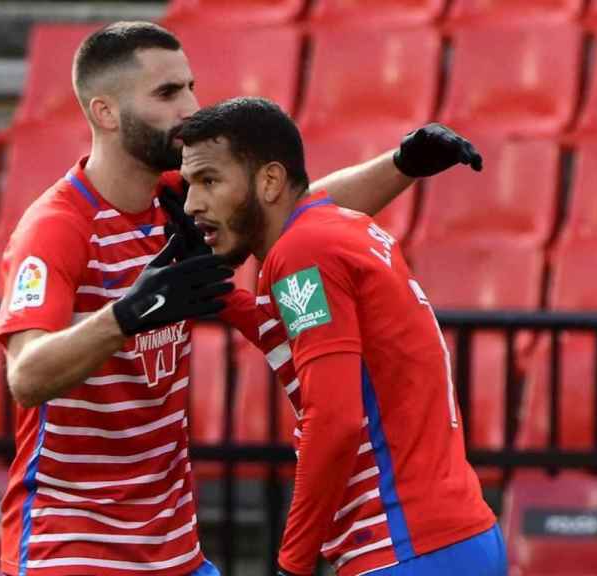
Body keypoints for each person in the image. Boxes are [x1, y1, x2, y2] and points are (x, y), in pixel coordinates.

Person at [0, 20, 482, 576]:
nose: (190, 106)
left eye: (190, 86)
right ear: (105, 113)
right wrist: (128, 314)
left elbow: (290, 207)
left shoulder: (176, 203)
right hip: (76, 546)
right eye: (166, 93)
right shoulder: (58, 228)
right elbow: (26, 377)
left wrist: (403, 165)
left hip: (174, 548)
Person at [176, 97, 505, 576]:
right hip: (457, 537)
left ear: (269, 181)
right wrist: (219, 297)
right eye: (188, 185)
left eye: (208, 181)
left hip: (404, 547)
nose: (191, 204)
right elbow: (300, 342)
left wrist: (293, 561)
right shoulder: (340, 230)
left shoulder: (303, 252)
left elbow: (334, 419)